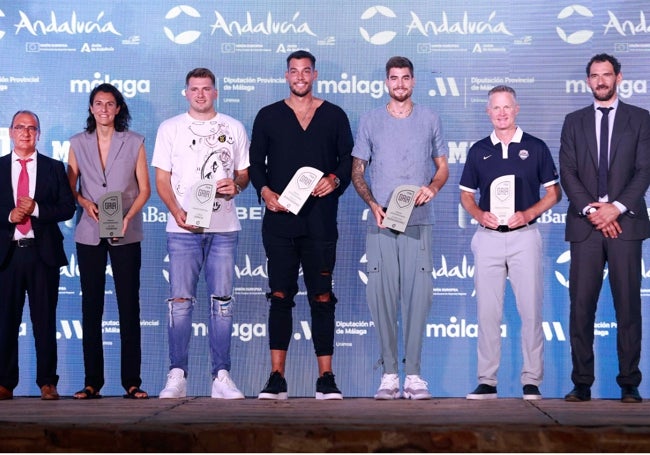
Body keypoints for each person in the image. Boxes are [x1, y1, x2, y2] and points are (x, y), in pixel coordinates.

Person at [249, 50, 353, 400]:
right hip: (279, 222)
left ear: (315, 75)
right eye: (293, 71)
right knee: (280, 296)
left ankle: (326, 378)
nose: (300, 77)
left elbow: (347, 161)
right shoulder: (268, 116)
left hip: (321, 222)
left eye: (306, 71)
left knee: (322, 297)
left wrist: (335, 180)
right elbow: (255, 164)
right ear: (286, 76)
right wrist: (264, 191)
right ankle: (276, 377)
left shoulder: (334, 115)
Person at [351, 56, 449, 400]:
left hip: (419, 223)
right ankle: (390, 374)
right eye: (394, 78)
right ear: (386, 83)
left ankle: (416, 375)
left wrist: (433, 189)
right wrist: (373, 205)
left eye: (406, 78)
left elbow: (442, 168)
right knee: (381, 299)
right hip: (381, 223)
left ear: (414, 81)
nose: (400, 84)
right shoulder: (370, 121)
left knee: (418, 300)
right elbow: (358, 171)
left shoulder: (430, 119)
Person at [151, 68, 250, 399]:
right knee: (180, 303)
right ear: (186, 93)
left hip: (223, 229)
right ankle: (177, 374)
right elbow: (162, 180)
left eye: (207, 89)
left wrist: (235, 185)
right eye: (194, 89)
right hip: (182, 229)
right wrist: (177, 212)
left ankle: (221, 376)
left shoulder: (233, 127)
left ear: (216, 92)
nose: (201, 94)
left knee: (221, 303)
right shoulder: (170, 128)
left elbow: (244, 175)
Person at [459, 85, 561, 400]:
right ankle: (487, 381)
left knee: (531, 310)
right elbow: (466, 195)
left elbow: (554, 193)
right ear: (488, 112)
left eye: (507, 107)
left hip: (524, 237)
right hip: (488, 238)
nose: (501, 113)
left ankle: (532, 381)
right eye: (496, 108)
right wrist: (478, 214)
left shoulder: (536, 147)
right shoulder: (478, 150)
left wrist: (529, 212)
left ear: (516, 109)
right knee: (487, 312)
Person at [560, 54, 650, 403]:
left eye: (606, 75)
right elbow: (567, 171)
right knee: (581, 307)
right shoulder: (573, 121)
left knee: (628, 306)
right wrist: (592, 210)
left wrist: (615, 209)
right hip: (585, 226)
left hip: (625, 223)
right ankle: (581, 382)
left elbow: (644, 171)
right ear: (588, 82)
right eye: (595, 76)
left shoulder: (641, 119)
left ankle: (629, 383)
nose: (601, 81)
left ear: (619, 78)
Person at [67, 83, 151, 400]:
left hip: (125, 229)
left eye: (110, 104)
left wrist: (128, 217)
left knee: (129, 304)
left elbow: (145, 189)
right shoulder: (77, 143)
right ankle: (92, 382)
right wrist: (84, 203)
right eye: (98, 104)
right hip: (89, 229)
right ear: (91, 109)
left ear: (118, 109)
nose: (104, 109)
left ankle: (132, 381)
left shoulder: (135, 142)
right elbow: (70, 187)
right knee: (92, 306)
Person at [0, 110, 75, 400]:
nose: (26, 133)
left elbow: (67, 207)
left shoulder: (54, 167)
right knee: (6, 321)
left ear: (38, 134)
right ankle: (5, 383)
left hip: (42, 254)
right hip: (7, 255)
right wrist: (9, 215)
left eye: (32, 128)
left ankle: (47, 382)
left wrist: (37, 210)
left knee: (44, 320)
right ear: (10, 132)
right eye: (20, 127)